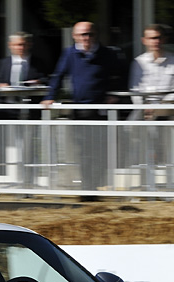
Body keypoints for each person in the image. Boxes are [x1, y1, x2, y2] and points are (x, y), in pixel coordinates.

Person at [42, 21, 126, 194]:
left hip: (101, 110)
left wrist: (115, 94)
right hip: (80, 110)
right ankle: (88, 189)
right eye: (82, 34)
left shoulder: (107, 54)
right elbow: (58, 76)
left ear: (96, 35)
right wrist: (50, 97)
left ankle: (94, 186)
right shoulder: (70, 53)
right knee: (83, 152)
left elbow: (121, 75)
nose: (86, 38)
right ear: (74, 36)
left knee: (101, 151)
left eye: (90, 34)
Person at [129, 24, 174, 119]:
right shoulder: (139, 62)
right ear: (144, 41)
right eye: (151, 38)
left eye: (159, 38)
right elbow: (135, 90)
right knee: (128, 128)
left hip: (169, 109)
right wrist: (144, 107)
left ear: (164, 39)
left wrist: (160, 107)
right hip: (144, 110)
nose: (156, 41)